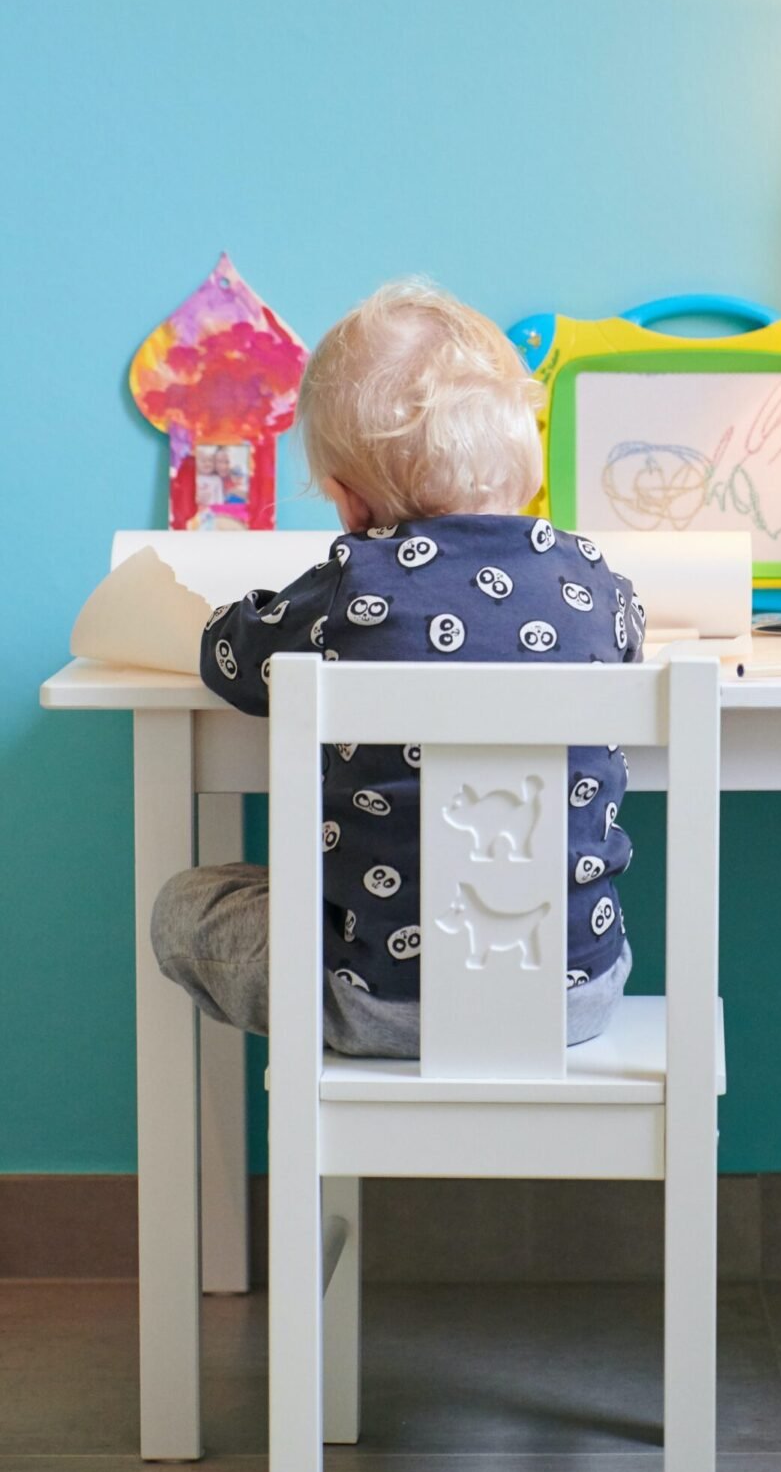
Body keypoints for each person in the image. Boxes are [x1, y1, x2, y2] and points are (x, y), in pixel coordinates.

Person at [151, 279, 643, 1055]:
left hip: (375, 1004)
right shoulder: (594, 584)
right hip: (576, 999)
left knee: (188, 902)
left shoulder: (354, 585)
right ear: (526, 462)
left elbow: (232, 659)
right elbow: (633, 644)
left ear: (348, 504)